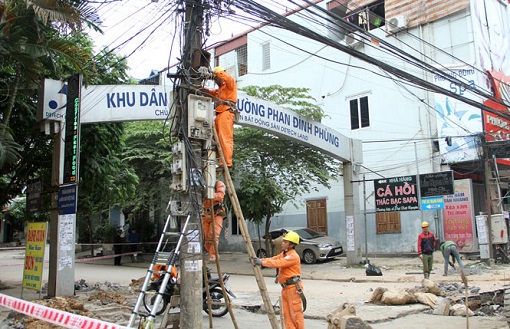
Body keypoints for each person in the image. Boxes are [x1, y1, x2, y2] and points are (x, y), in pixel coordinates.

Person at [253, 231, 306, 329]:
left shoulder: (293, 256)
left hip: (293, 288)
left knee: (295, 314)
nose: (282, 243)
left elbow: (279, 263)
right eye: (283, 241)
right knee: (287, 315)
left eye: (285, 242)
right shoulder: (285, 254)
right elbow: (274, 259)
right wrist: (261, 260)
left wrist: (262, 263)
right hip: (286, 289)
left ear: (291, 244)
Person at [203, 66, 237, 169]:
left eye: (216, 78)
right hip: (219, 114)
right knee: (216, 139)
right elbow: (208, 93)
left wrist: (214, 72)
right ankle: (221, 161)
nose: (216, 81)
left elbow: (227, 77)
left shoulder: (230, 84)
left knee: (224, 138)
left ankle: (227, 162)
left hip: (226, 113)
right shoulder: (219, 91)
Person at [202, 180, 226, 261]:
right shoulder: (201, 183)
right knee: (205, 238)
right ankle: (212, 253)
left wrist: (209, 195)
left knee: (213, 234)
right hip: (205, 214)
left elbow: (220, 196)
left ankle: (213, 255)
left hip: (216, 213)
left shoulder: (218, 184)